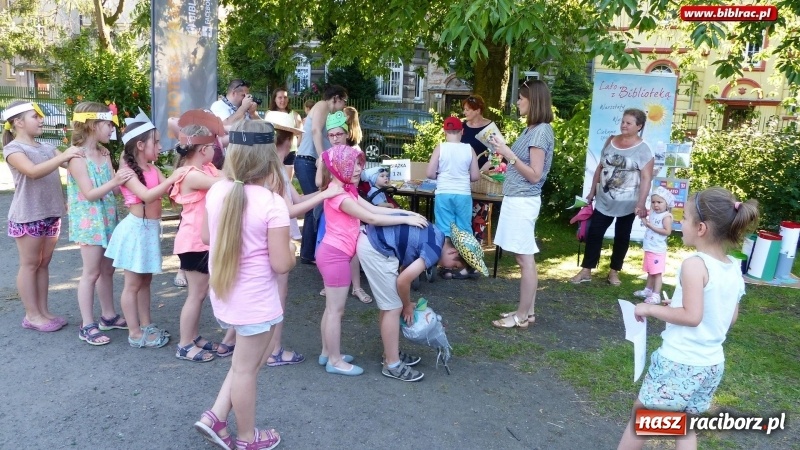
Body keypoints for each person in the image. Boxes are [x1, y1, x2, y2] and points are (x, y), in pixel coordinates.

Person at [617, 187, 759, 450]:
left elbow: (692, 316)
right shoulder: (731, 268)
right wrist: (679, 304)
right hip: (711, 365)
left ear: (701, 228)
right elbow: (728, 318)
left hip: (679, 362)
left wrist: (650, 309)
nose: (681, 222)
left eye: (686, 217)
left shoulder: (694, 264)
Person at [194, 119, 294, 450]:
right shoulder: (271, 202)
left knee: (243, 365)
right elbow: (281, 264)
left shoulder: (217, 190)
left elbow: (207, 237)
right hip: (255, 300)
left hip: (226, 294)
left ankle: (216, 415)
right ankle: (247, 438)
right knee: (247, 369)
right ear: (269, 158)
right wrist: (292, 251)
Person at [316, 145, 427, 376]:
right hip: (335, 256)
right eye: (353, 164)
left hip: (333, 254)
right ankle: (335, 361)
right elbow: (371, 218)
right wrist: (406, 219)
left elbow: (375, 209)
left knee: (331, 310)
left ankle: (327, 352)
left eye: (359, 164)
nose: (359, 169)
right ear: (340, 167)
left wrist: (406, 214)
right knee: (336, 311)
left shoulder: (347, 190)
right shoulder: (340, 195)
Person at [262, 110, 343, 367]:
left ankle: (265, 347)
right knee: (277, 297)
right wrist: (324, 196)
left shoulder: (274, 168)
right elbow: (289, 210)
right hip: (276, 238)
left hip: (275, 237)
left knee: (273, 294)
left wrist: (324, 193)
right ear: (286, 141)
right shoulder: (274, 171)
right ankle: (273, 350)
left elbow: (297, 200)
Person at [104, 110, 188, 348]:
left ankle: (146, 323)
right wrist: (175, 178)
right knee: (132, 284)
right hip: (136, 232)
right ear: (140, 145)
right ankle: (134, 332)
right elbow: (147, 195)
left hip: (149, 230)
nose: (161, 146)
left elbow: (168, 193)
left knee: (145, 281)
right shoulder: (128, 173)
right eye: (157, 142)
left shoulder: (153, 170)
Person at [2, 101, 83, 332]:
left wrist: (89, 149)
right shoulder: (14, 150)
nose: (41, 120)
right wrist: (63, 156)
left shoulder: (46, 147)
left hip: (51, 213)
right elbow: (33, 172)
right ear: (18, 122)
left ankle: (44, 311)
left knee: (43, 264)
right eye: (34, 116)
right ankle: (32, 315)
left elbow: (71, 163)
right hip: (28, 215)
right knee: (29, 264)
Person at [357, 222, 467, 381]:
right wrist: (406, 306)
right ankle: (392, 364)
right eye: (455, 265)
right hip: (376, 248)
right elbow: (402, 281)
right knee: (393, 308)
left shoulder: (436, 235)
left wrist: (405, 301)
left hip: (373, 240)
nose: (450, 268)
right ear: (453, 251)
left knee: (390, 305)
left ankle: (389, 352)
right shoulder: (434, 250)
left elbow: (405, 268)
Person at [489, 80, 555, 329]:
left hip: (523, 201)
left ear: (534, 100)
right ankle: (528, 311)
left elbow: (535, 174)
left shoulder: (540, 132)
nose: (517, 102)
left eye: (521, 98)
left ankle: (521, 316)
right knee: (524, 257)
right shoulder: (534, 129)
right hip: (518, 199)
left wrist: (509, 154)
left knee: (524, 259)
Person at [67, 101, 134, 344]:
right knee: (91, 272)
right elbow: (89, 193)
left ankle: (108, 315)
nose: (111, 130)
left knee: (108, 270)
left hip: (107, 219)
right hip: (89, 223)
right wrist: (116, 180)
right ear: (93, 125)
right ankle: (87, 324)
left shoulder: (104, 154)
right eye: (108, 124)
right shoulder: (77, 157)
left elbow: (112, 191)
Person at [170, 115, 231, 362]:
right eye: (213, 148)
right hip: (193, 242)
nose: (215, 152)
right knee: (195, 294)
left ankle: (193, 337)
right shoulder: (190, 174)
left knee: (201, 292)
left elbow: (222, 174)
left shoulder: (205, 167)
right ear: (204, 149)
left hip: (202, 241)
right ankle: (184, 344)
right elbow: (223, 181)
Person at [570, 108, 654, 286]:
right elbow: (600, 168)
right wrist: (592, 191)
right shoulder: (611, 140)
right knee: (595, 233)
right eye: (623, 121)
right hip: (604, 199)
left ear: (639, 126)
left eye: (629, 123)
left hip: (628, 203)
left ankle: (614, 272)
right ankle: (586, 270)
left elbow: (646, 178)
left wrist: (641, 202)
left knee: (622, 237)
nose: (624, 125)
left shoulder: (644, 150)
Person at [316, 112, 373, 304]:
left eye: (338, 134)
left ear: (347, 134)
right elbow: (319, 183)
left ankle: (356, 287)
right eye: (331, 135)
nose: (335, 138)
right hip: (335, 204)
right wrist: (323, 168)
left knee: (353, 247)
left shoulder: (353, 153)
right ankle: (331, 283)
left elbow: (359, 179)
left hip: (350, 202)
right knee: (334, 246)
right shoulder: (326, 156)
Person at [294, 84, 348, 265]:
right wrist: (321, 156)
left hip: (310, 160)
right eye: (344, 101)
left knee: (318, 204)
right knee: (314, 205)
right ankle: (309, 253)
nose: (344, 105)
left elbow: (325, 136)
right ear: (336, 98)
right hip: (307, 160)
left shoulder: (329, 114)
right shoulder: (323, 105)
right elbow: (315, 130)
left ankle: (312, 251)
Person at [426, 115, 479, 248]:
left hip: (443, 192)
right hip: (463, 194)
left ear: (444, 132)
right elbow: (475, 176)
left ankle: (445, 262)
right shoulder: (469, 149)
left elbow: (430, 174)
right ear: (462, 131)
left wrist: (440, 175)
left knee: (444, 230)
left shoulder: (440, 148)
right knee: (465, 229)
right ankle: (467, 264)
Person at [460, 94, 499, 243]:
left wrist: (482, 169)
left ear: (478, 110)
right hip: (463, 177)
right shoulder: (462, 127)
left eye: (468, 110)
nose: (465, 113)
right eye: (464, 109)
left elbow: (497, 153)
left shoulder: (489, 128)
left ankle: (475, 245)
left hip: (482, 177)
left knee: (478, 214)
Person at [634, 186, 675, 305]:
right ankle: (648, 290)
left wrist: (652, 226)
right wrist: (642, 216)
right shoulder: (652, 212)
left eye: (659, 202)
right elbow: (646, 222)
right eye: (653, 202)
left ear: (666, 203)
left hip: (657, 250)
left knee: (656, 273)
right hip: (649, 248)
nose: (656, 205)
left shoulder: (666, 216)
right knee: (650, 271)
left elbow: (667, 231)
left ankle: (656, 295)